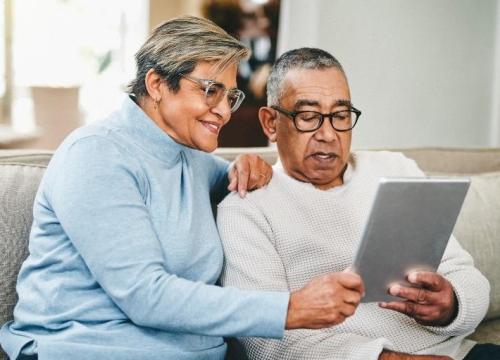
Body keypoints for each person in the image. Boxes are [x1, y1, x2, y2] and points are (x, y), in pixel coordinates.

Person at [0, 19, 365, 360]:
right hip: (87, 348)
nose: (223, 111)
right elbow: (145, 295)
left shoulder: (192, 160)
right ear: (157, 84)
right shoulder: (96, 155)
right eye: (210, 91)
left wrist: (250, 168)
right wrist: (289, 308)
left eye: (231, 97)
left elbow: (248, 184)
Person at [217, 47, 500, 360]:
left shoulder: (395, 169)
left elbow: (467, 277)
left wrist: (452, 304)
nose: (328, 134)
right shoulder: (247, 208)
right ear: (271, 123)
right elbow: (264, 341)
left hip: (460, 353)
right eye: (309, 117)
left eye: (340, 116)